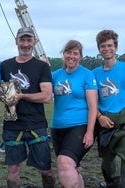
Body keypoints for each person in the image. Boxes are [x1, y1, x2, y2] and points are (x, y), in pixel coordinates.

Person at [0, 27, 55, 188]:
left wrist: (22, 96)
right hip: (12, 125)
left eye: (29, 40)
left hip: (36, 124)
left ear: (35, 42)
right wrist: (4, 97)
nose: (25, 44)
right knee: (13, 169)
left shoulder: (42, 66)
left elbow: (47, 96)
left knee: (45, 169)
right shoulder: (5, 65)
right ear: (16, 41)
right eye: (22, 40)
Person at [51, 40, 98, 187]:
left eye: (75, 53)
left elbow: (93, 106)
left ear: (80, 57)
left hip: (80, 126)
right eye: (68, 52)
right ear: (63, 54)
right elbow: (45, 94)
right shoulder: (56, 75)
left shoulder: (87, 75)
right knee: (72, 167)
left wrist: (90, 132)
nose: (71, 56)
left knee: (64, 164)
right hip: (57, 127)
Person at [93, 29, 125, 188]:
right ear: (99, 49)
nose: (106, 49)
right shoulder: (94, 74)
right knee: (107, 163)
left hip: (123, 122)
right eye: (103, 46)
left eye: (110, 45)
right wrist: (99, 117)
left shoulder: (124, 69)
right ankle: (110, 182)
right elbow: (91, 102)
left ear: (116, 47)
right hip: (104, 124)